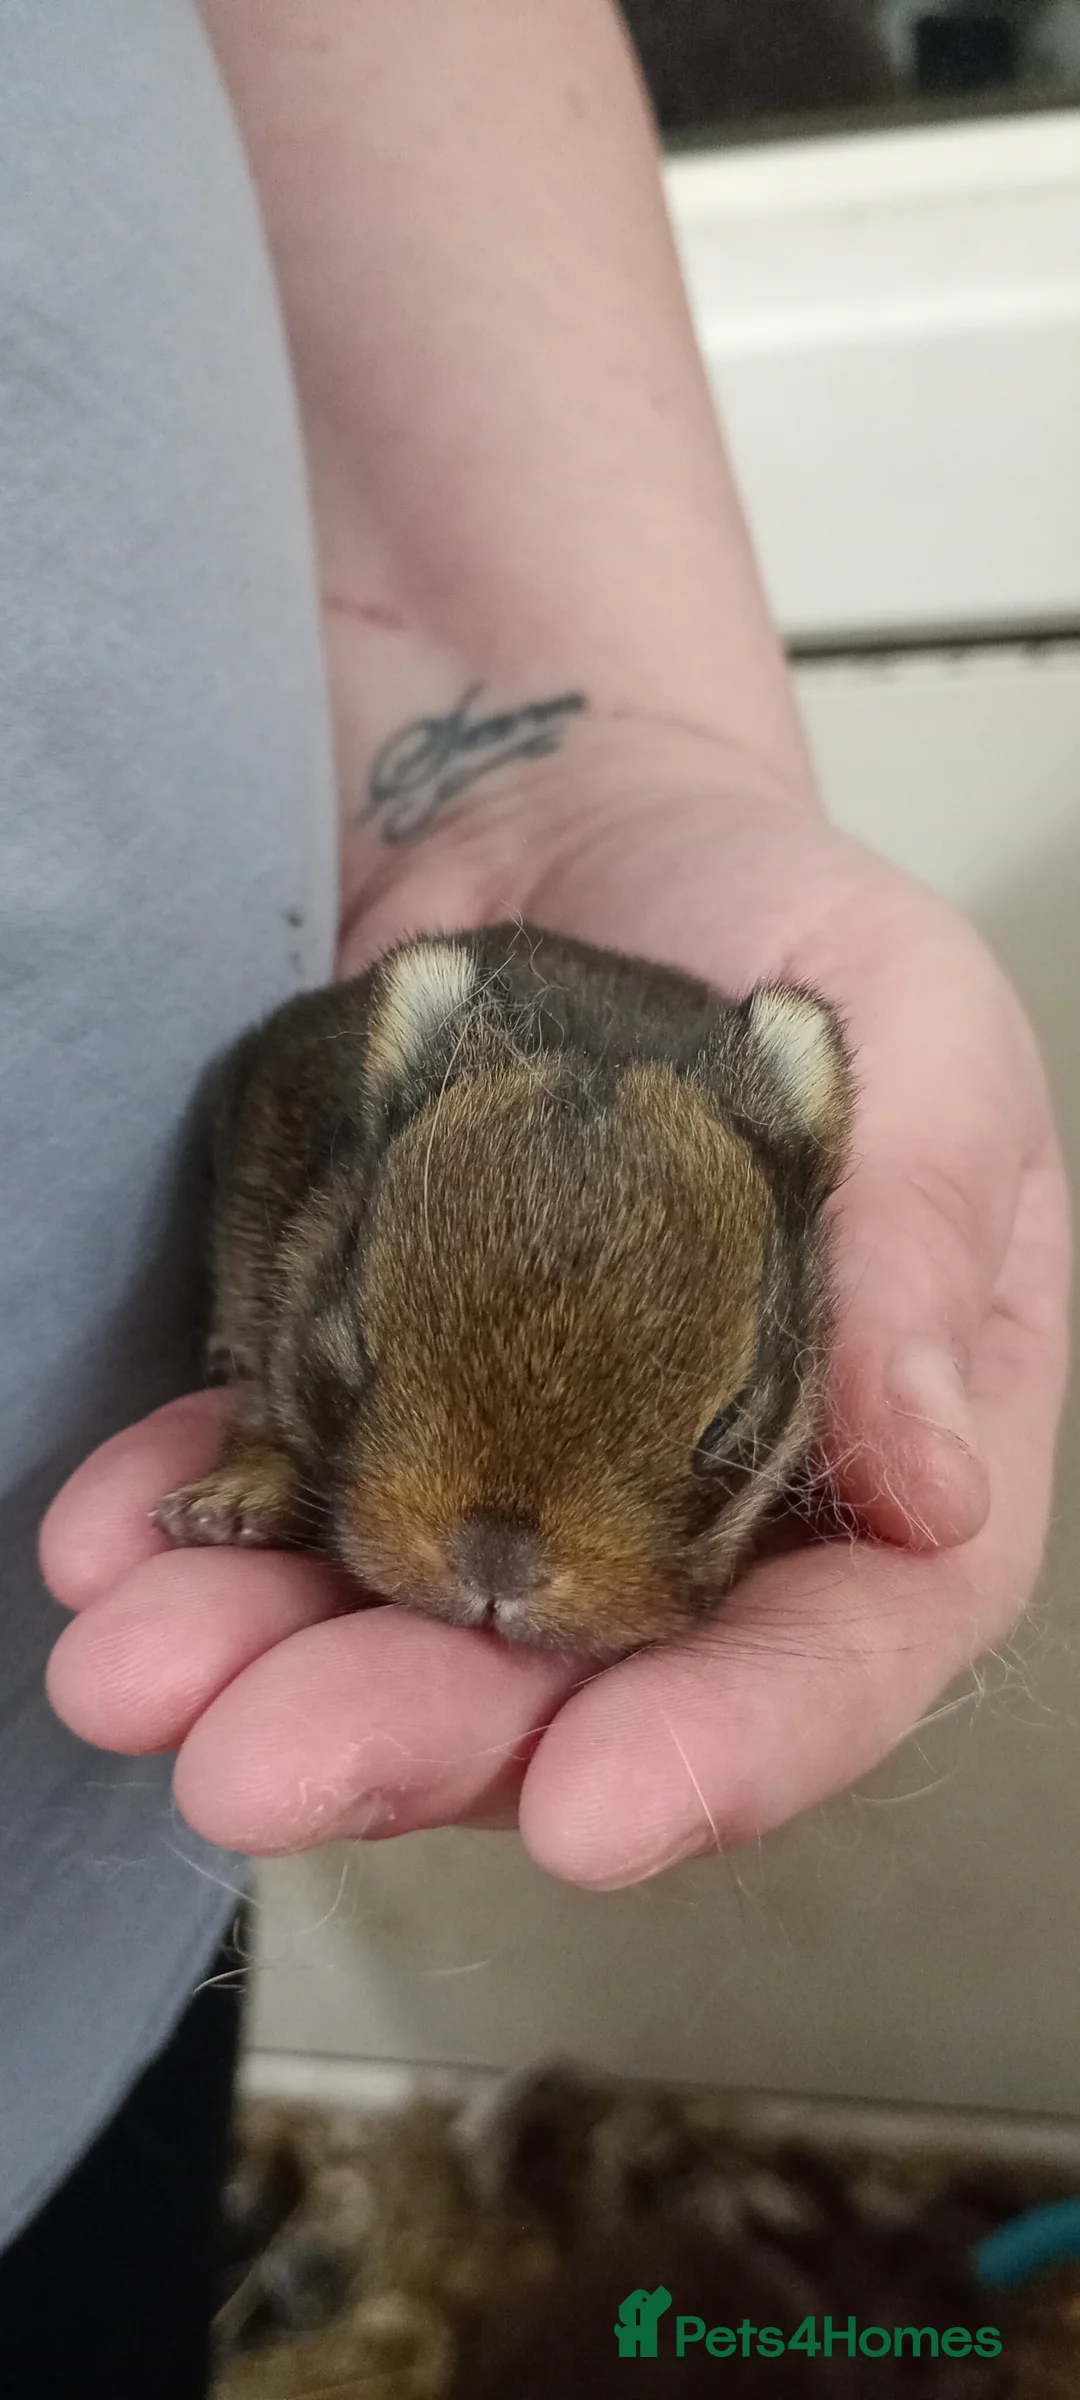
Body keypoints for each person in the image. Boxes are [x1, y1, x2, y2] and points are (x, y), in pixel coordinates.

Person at [1, 3, 1067, 2394]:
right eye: (363, 1372)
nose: (492, 1566)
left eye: (696, 1453)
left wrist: (575, 696)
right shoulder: (361, 1130)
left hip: (60, 1880)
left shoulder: (705, 1134)